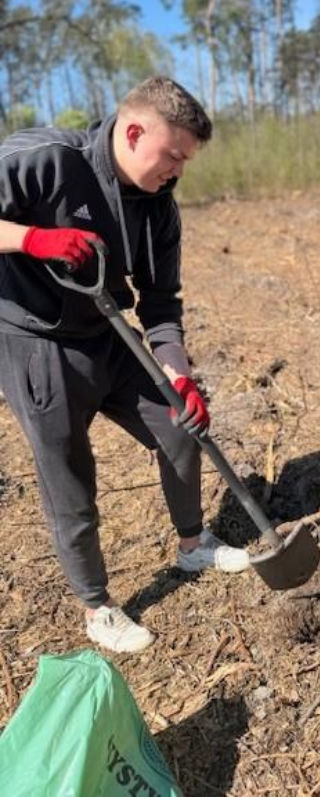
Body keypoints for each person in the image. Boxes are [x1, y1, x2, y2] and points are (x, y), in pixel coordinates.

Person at [0, 77, 250, 654]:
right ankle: (98, 607)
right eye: (173, 156)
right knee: (68, 474)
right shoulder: (46, 159)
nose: (179, 172)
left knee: (180, 425)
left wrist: (179, 374)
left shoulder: (159, 205)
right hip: (37, 343)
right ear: (134, 131)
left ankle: (194, 546)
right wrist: (33, 238)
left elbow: (162, 304)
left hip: (109, 333)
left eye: (186, 161)